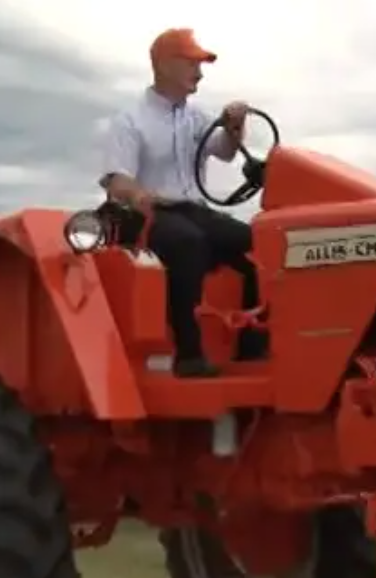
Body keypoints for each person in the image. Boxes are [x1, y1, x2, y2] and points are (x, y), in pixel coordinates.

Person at [98, 27, 265, 378]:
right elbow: (116, 180)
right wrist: (139, 193)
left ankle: (252, 348)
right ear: (165, 65)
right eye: (192, 63)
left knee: (261, 243)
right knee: (188, 242)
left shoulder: (196, 117)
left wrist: (235, 126)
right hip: (147, 214)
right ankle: (188, 354)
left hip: (192, 210)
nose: (200, 73)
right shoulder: (130, 120)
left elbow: (224, 149)